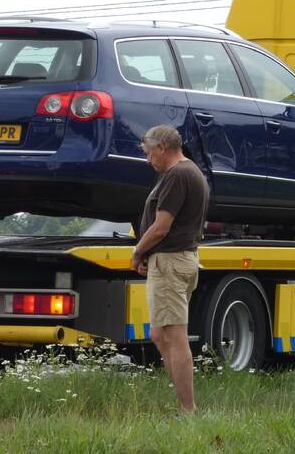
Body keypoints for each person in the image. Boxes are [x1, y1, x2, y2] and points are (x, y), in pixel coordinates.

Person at [131, 124, 209, 414]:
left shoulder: (177, 175)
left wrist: (138, 251)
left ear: (162, 148)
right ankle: (184, 403)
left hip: (171, 262)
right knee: (159, 334)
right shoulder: (190, 172)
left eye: (150, 154)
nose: (149, 161)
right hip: (177, 260)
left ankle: (187, 410)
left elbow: (161, 227)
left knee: (174, 337)